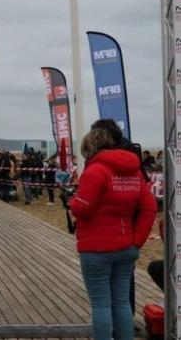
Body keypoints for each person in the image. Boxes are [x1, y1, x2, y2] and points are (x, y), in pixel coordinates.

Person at [69, 127, 156, 340]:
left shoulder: (95, 171)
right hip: (126, 246)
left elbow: (84, 208)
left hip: (96, 249)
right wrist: (137, 242)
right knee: (122, 302)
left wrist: (72, 201)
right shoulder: (135, 172)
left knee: (101, 304)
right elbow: (149, 208)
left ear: (90, 148)